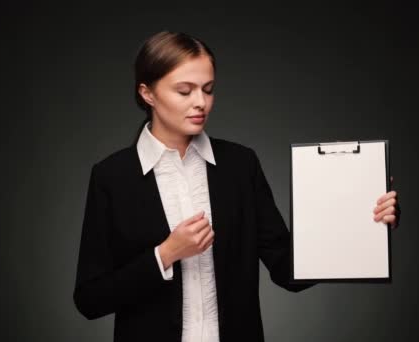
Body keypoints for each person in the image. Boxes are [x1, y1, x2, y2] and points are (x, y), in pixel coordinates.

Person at [73, 30, 400, 342]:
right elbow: (90, 299)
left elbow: (287, 268)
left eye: (209, 89)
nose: (201, 102)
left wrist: (359, 215)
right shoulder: (112, 177)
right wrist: (166, 254)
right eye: (185, 91)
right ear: (147, 93)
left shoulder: (240, 166)